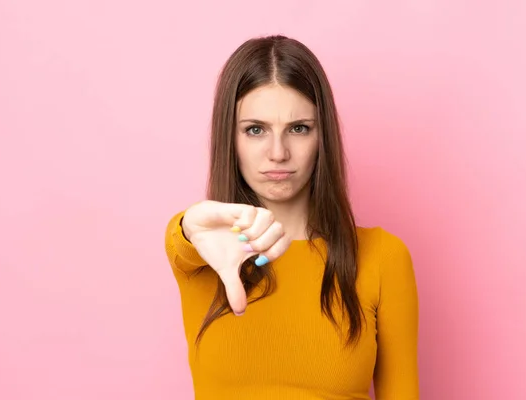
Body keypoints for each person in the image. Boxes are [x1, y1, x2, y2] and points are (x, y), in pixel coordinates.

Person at [164, 35, 419, 400]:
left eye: (299, 128)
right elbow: (182, 237)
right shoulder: (206, 250)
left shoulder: (383, 257)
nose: (278, 153)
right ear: (230, 138)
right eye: (255, 129)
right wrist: (190, 227)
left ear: (322, 136)